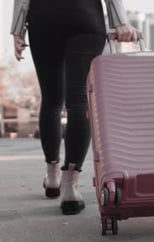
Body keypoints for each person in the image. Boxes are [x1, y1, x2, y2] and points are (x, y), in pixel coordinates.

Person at [11, 0, 137, 215]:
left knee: (51, 100)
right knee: (78, 99)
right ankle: (70, 187)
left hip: (44, 17)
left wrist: (18, 28)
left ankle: (52, 178)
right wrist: (121, 21)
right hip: (84, 15)